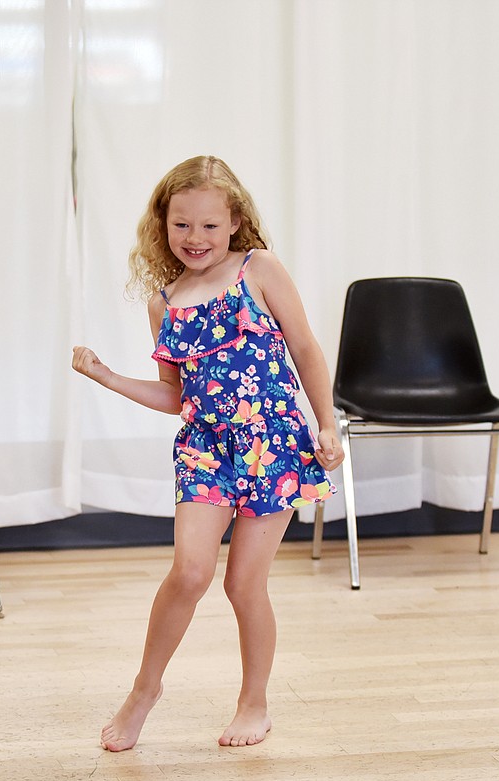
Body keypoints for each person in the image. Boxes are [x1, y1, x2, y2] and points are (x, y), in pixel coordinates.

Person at [71, 155, 342, 751]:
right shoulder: (163, 302)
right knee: (190, 572)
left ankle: (255, 702)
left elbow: (307, 349)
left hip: (273, 445)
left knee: (245, 585)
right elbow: (175, 396)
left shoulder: (260, 269)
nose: (195, 238)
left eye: (210, 226)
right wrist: (108, 377)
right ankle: (145, 690)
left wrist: (327, 426)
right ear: (162, 226)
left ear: (235, 221)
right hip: (205, 450)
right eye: (182, 225)